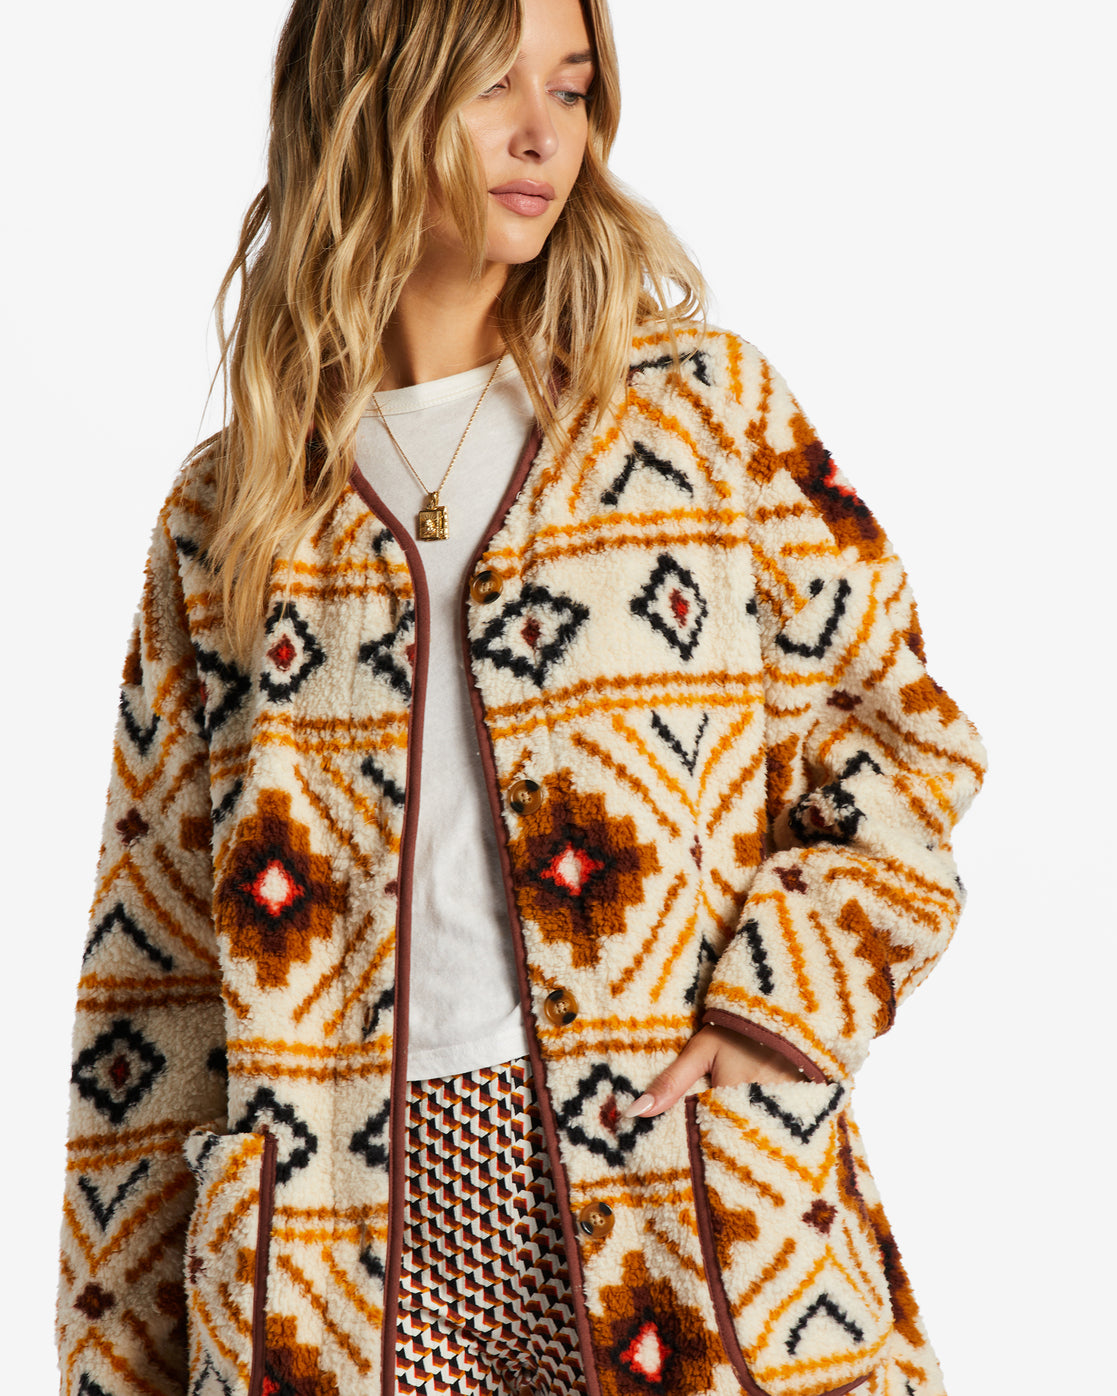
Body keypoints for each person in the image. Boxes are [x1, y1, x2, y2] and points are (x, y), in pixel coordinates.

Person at [56, 1, 986, 1393]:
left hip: (674, 1189)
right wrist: (113, 1358)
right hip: (332, 1246)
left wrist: (778, 1003)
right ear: (367, 98)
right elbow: (154, 967)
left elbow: (903, 742)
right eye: (491, 85)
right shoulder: (227, 512)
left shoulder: (702, 414)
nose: (544, 134)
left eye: (573, 87)